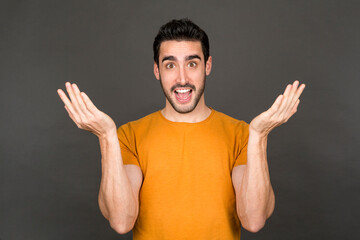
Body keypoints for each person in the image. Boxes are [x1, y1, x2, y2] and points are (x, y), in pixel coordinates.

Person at [57, 18, 305, 240]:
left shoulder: (242, 134)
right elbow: (122, 222)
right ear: (157, 70)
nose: (182, 78)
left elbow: (253, 220)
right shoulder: (128, 136)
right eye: (170, 65)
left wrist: (259, 137)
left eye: (192, 64)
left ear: (207, 66)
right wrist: (106, 136)